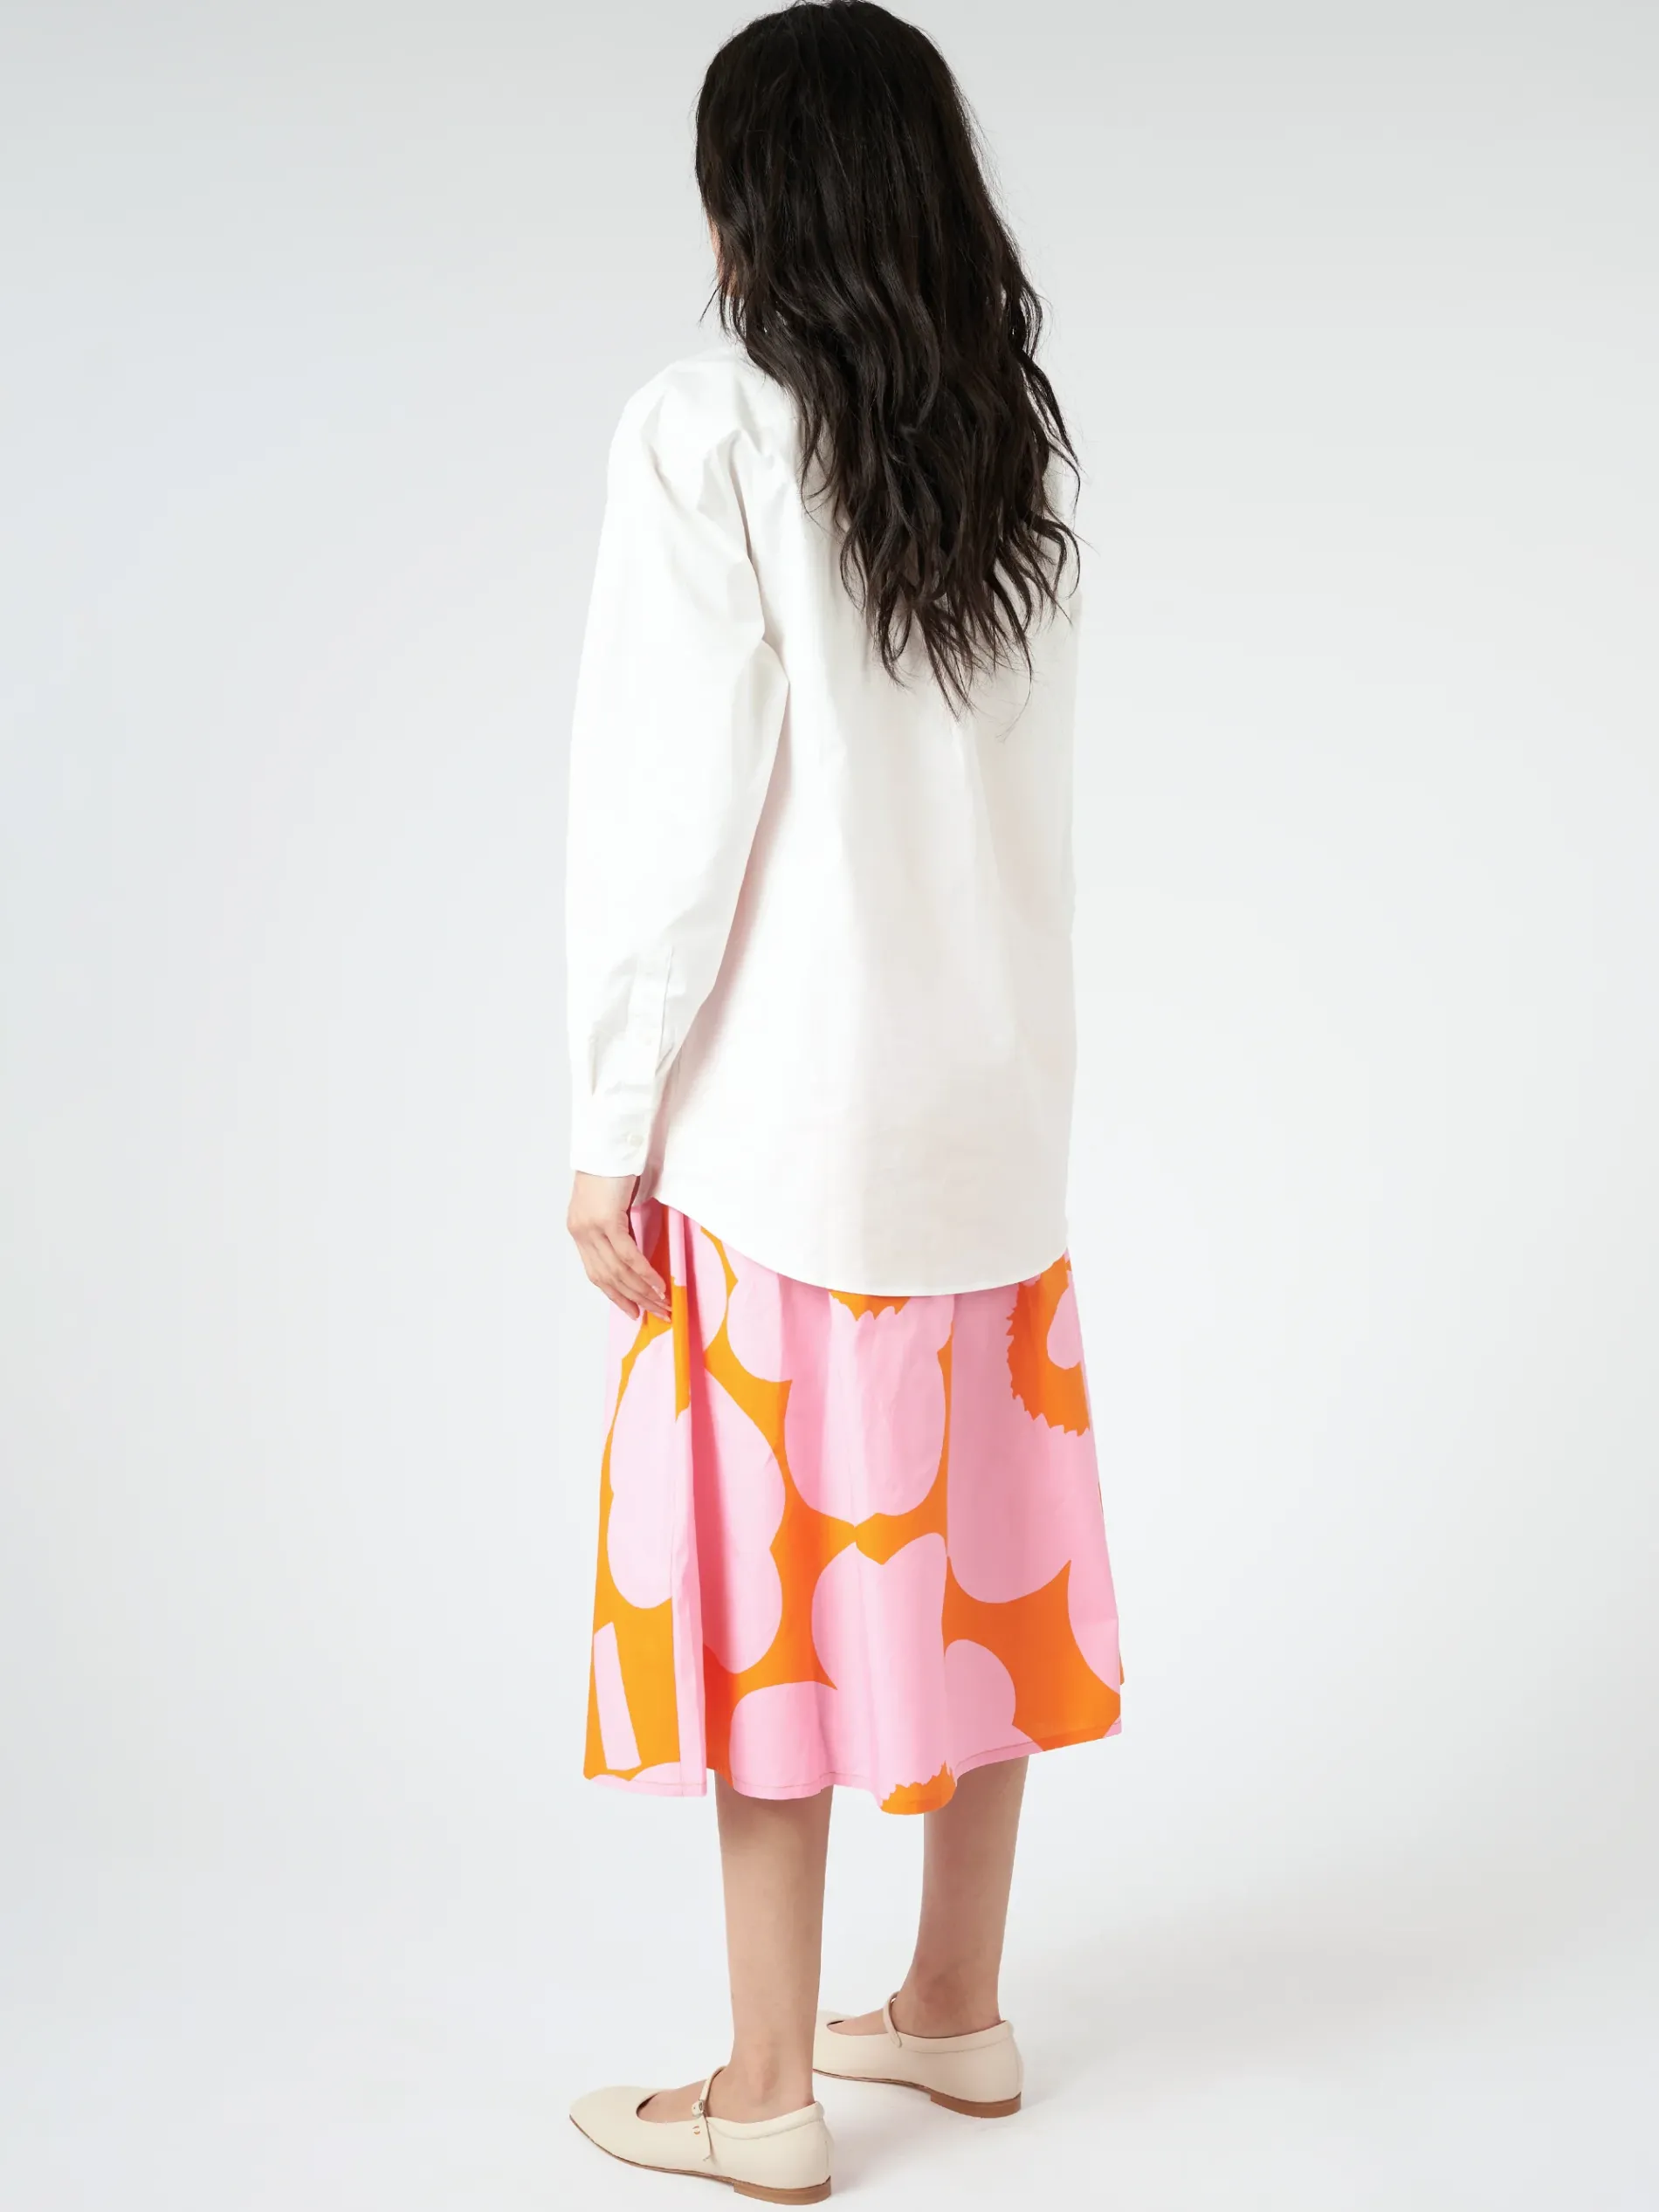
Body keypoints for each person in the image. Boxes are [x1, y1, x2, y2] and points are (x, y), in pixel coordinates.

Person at [562, 3, 1120, 2198]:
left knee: (768, 1592)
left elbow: (662, 815)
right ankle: (952, 2004)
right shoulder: (1005, 451)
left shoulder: (703, 427)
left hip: (789, 1127)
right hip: (991, 1118)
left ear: (751, 203)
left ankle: (764, 2086)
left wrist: (608, 1115)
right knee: (979, 1548)